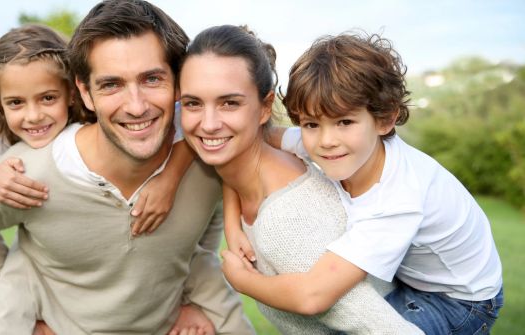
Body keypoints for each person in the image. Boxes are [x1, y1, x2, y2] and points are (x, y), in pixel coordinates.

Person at [0, 1, 254, 334]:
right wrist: (25, 312)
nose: (136, 106)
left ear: (178, 84)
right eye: (111, 84)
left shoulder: (207, 159)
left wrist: (189, 298)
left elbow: (205, 217)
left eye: (152, 79)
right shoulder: (27, 174)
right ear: (85, 93)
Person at [225, 31, 504, 335]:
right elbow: (246, 145)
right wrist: (231, 221)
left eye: (345, 122)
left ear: (384, 120)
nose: (327, 140)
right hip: (412, 277)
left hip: (459, 300)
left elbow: (312, 296)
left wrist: (243, 281)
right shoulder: (329, 145)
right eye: (311, 124)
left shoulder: (396, 199)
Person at [180, 25, 422, 334]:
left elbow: (390, 328)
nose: (209, 124)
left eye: (230, 103)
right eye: (193, 103)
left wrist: (243, 281)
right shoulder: (253, 171)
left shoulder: (287, 219)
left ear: (265, 107)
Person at [0, 26, 186, 237]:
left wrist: (169, 179)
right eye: (15, 102)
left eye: (48, 98)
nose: (33, 116)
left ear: (73, 93)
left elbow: (185, 122)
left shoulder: (101, 113)